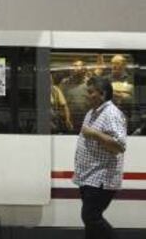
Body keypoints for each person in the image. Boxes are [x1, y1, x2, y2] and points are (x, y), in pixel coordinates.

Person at [73, 76, 126, 239]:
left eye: (90, 92)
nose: (87, 95)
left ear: (102, 94)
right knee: (90, 221)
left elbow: (119, 146)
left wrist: (94, 134)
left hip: (101, 177)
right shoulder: (92, 112)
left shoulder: (111, 114)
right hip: (88, 176)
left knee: (91, 217)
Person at [60, 59, 90, 133]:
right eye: (73, 66)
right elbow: (60, 102)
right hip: (69, 120)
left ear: (84, 69)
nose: (74, 68)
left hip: (86, 120)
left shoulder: (89, 83)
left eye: (77, 66)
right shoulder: (65, 83)